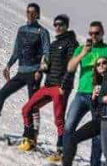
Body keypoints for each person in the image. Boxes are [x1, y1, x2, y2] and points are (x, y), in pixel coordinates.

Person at [0, 3, 50, 138]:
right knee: (0, 94)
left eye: (33, 13)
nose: (30, 15)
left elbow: (47, 54)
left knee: (32, 104)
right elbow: (17, 51)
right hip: (21, 72)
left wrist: (41, 70)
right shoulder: (21, 30)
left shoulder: (42, 32)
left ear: (38, 15)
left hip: (34, 73)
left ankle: (31, 135)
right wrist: (8, 66)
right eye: (28, 12)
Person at [19, 14, 78, 154]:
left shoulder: (72, 43)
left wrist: (63, 86)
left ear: (66, 26)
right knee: (27, 108)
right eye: (55, 25)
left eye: (61, 24)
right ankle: (29, 139)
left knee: (59, 118)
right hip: (48, 85)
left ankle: (61, 150)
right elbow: (49, 65)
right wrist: (42, 69)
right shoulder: (54, 44)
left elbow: (71, 67)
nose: (57, 27)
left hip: (60, 87)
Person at [63, 21, 107, 166]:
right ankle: (66, 165)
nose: (93, 36)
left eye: (97, 33)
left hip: (98, 95)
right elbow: (70, 68)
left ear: (103, 33)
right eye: (91, 33)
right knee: (69, 126)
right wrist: (83, 53)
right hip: (81, 93)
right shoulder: (81, 48)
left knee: (97, 131)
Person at [54, 56, 107, 166]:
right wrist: (95, 99)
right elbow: (97, 110)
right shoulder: (97, 82)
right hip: (100, 120)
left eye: (104, 63)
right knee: (73, 137)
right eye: (98, 64)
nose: (101, 65)